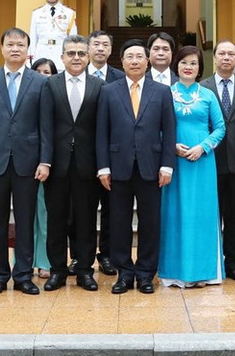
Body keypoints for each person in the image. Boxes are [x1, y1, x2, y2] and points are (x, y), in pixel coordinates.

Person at [0, 28, 51, 296]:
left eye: (20, 44)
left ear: (28, 50)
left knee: (26, 221)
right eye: (10, 44)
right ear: (2, 49)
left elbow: (45, 126)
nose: (15, 48)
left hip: (29, 163)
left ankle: (23, 275)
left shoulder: (40, 82)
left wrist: (45, 161)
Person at [96, 39, 176, 294]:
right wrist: (103, 168)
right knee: (119, 222)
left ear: (147, 61)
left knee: (150, 222)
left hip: (151, 167)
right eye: (129, 57)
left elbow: (169, 131)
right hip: (118, 167)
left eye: (139, 57)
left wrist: (167, 166)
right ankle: (124, 273)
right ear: (121, 61)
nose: (134, 61)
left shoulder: (162, 92)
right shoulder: (109, 91)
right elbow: (102, 132)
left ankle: (145, 274)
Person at [159, 46, 225, 288]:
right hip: (174, 162)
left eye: (194, 63)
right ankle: (175, 272)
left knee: (203, 214)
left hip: (203, 162)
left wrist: (203, 147)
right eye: (184, 62)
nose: (188, 66)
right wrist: (171, 146)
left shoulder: (208, 95)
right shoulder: (165, 93)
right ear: (176, 65)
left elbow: (220, 127)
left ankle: (205, 271)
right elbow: (156, 125)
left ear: (200, 68)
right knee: (174, 213)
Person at [42, 36, 102, 292]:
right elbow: (44, 126)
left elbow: (102, 128)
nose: (76, 57)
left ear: (88, 57)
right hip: (56, 165)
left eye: (80, 53)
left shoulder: (100, 86)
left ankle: (85, 271)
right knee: (56, 219)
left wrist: (103, 165)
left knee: (86, 220)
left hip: (88, 166)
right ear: (62, 57)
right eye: (71, 53)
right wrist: (44, 161)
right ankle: (57, 270)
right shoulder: (50, 85)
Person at [200, 40, 235, 281]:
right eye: (221, 53)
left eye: (230, 54)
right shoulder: (202, 87)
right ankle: (211, 261)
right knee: (211, 215)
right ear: (215, 58)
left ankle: (233, 262)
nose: (226, 58)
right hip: (209, 163)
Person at [85, 30, 121, 276]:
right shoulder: (75, 74)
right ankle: (82, 256)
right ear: (88, 49)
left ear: (110, 50)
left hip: (114, 154)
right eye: (96, 44)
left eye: (105, 44)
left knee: (112, 209)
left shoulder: (119, 78)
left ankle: (107, 255)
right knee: (83, 209)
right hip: (84, 154)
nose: (100, 48)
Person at [30, 58, 57, 280]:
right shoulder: (25, 94)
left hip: (50, 163)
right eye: (38, 71)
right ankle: (24, 260)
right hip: (24, 163)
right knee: (26, 216)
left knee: (46, 215)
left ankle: (44, 261)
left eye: (47, 72)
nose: (42, 76)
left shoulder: (57, 95)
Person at [28, 0, 77, 71]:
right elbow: (33, 38)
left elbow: (72, 39)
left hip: (60, 57)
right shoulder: (36, 13)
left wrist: (70, 59)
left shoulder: (69, 13)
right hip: (41, 54)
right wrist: (31, 60)